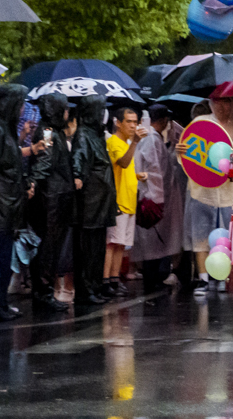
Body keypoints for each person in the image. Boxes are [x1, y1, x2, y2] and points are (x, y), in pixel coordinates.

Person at [185, 82, 233, 293]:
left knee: (226, 236)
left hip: (229, 192)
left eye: (227, 102)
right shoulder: (199, 123)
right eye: (218, 102)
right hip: (202, 190)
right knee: (200, 234)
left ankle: (223, 276)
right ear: (211, 103)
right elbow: (187, 155)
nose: (222, 107)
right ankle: (203, 278)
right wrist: (180, 150)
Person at [0, 83, 33, 320]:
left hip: (9, 203)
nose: (23, 109)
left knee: (4, 256)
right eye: (21, 104)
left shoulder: (7, 129)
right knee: (0, 257)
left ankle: (0, 302)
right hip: (0, 203)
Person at [28, 94, 78, 312]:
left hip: (57, 197)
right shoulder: (48, 132)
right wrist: (34, 181)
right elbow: (45, 160)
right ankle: (43, 292)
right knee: (48, 248)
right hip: (51, 199)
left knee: (52, 248)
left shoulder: (53, 131)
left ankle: (45, 292)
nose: (67, 113)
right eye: (65, 109)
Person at [130, 104, 186, 295]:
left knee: (152, 242)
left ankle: (153, 278)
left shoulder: (147, 137)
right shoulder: (152, 139)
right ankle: (152, 280)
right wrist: (157, 197)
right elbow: (155, 170)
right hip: (153, 198)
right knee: (153, 242)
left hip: (149, 196)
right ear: (163, 121)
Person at [72, 94, 117, 307]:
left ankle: (96, 286)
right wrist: (78, 175)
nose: (102, 115)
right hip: (90, 201)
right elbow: (79, 158)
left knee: (98, 247)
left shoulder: (96, 134)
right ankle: (86, 289)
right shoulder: (83, 134)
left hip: (101, 200)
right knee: (87, 248)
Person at [104, 106, 145, 296]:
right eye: (129, 121)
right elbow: (122, 162)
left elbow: (125, 169)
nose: (133, 125)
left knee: (122, 243)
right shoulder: (113, 142)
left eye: (135, 121)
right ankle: (106, 281)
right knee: (112, 243)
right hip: (118, 201)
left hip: (129, 200)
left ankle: (114, 278)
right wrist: (135, 143)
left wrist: (137, 176)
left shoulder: (127, 143)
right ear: (118, 123)